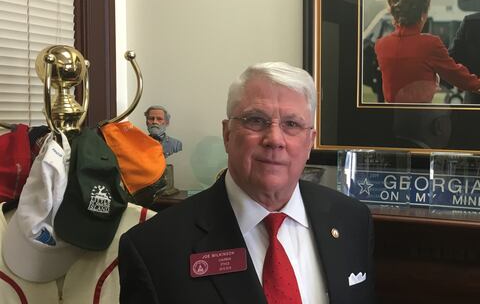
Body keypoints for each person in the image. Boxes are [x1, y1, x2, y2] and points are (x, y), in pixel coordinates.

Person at [119, 62, 375, 303]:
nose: (274, 139)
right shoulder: (153, 247)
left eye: (291, 124)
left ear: (310, 142)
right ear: (227, 134)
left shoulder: (351, 219)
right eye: (256, 120)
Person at [374, 0, 480, 103]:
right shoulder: (430, 44)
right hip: (420, 118)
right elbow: (457, 76)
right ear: (423, 13)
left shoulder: (381, 45)